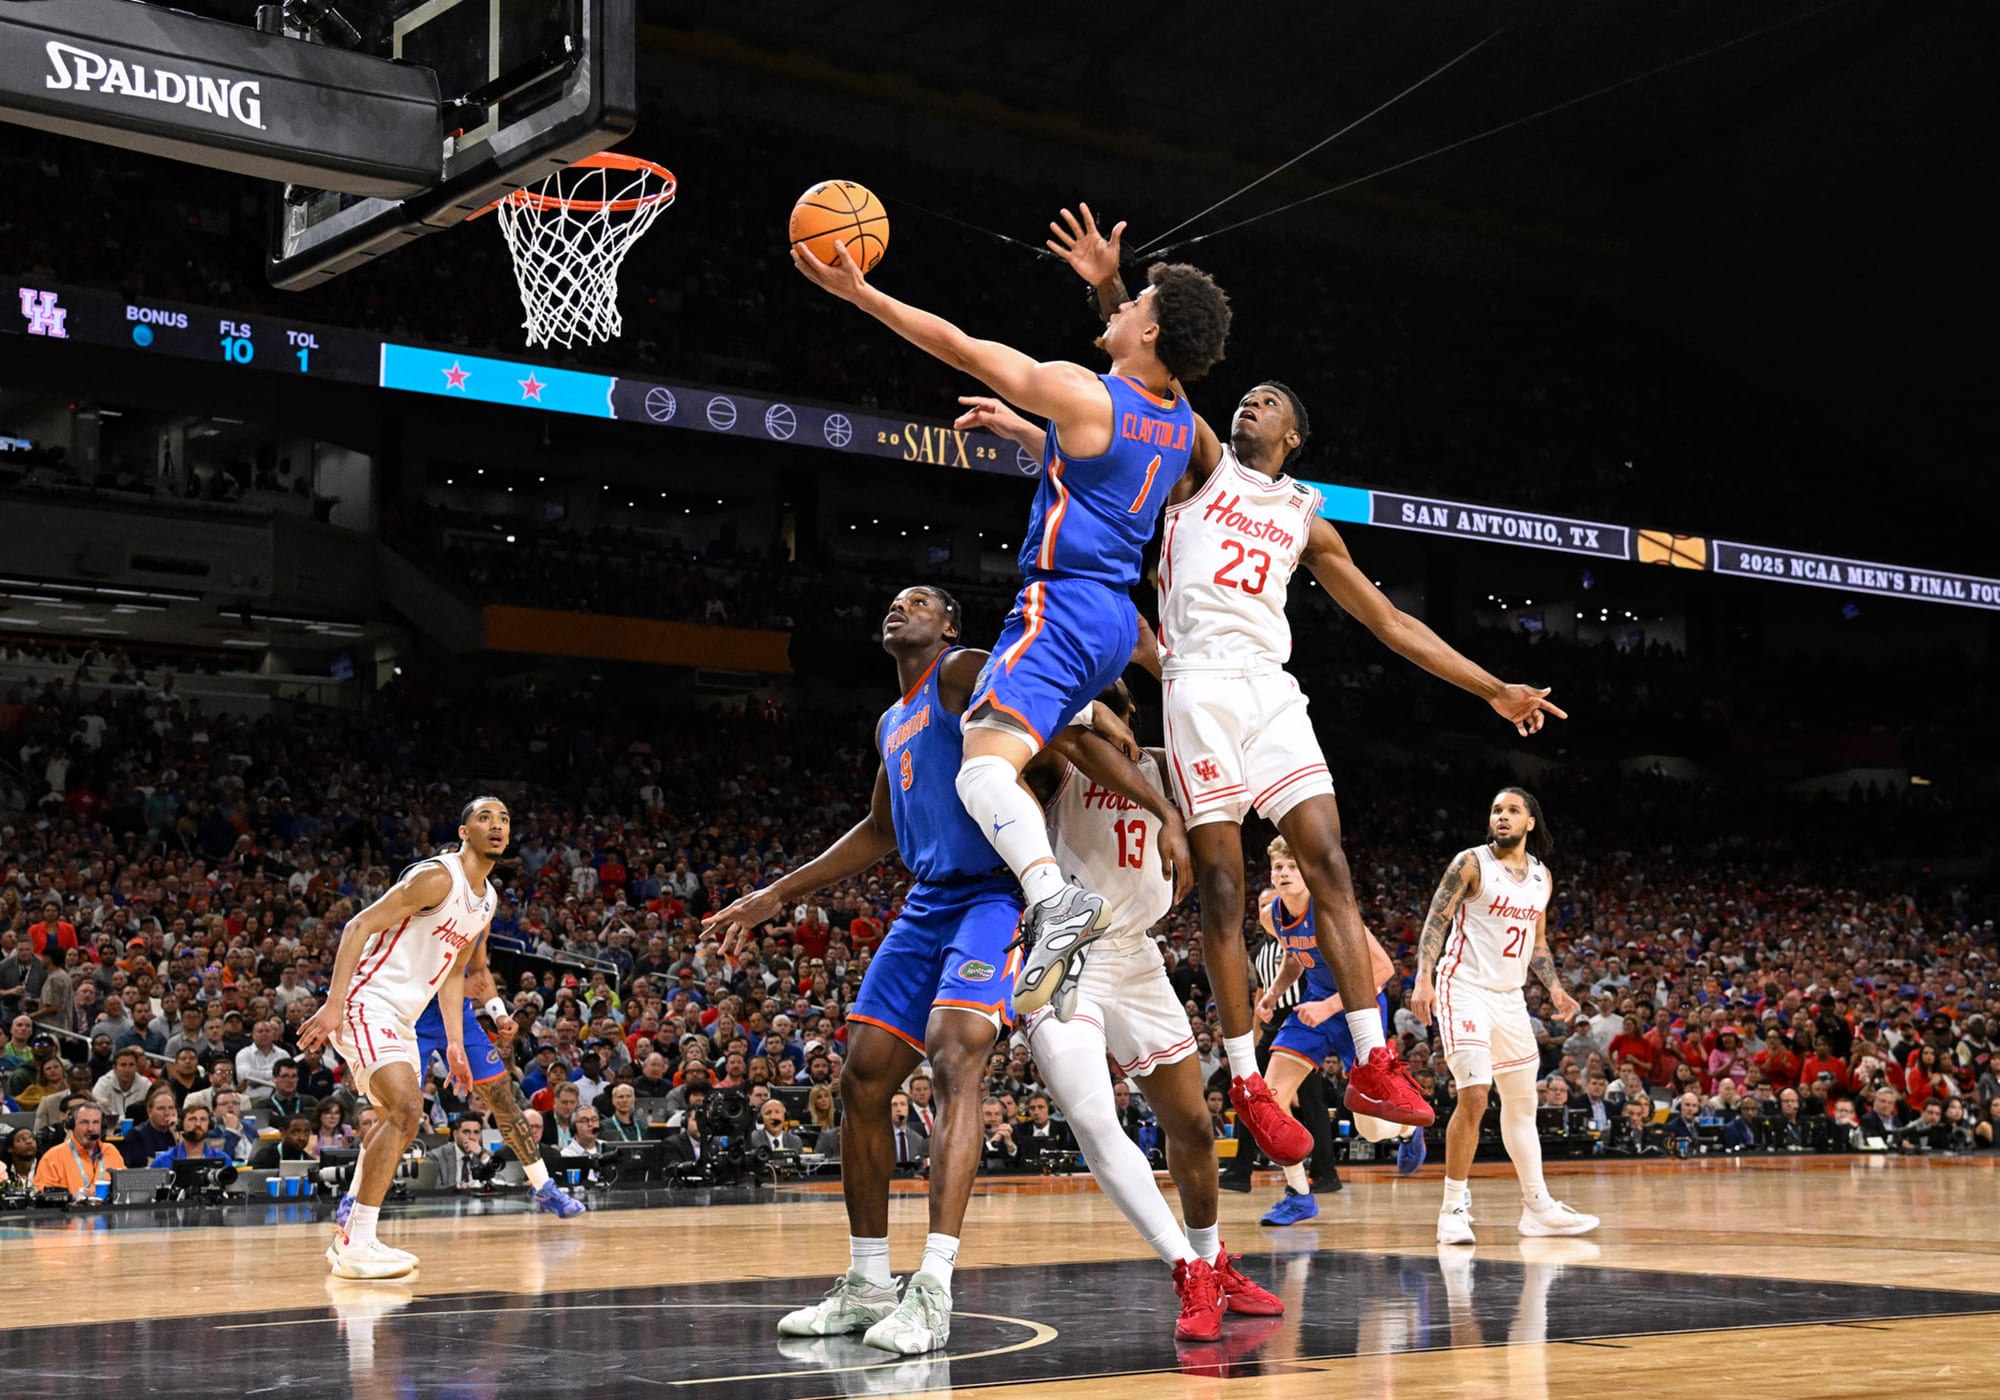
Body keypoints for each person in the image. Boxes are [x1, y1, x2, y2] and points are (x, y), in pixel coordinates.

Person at [964, 208, 1562, 1161]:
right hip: (1196, 683)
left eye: (1270, 403)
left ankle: (1371, 1056)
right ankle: (1245, 1078)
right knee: (1225, 888)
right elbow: (1140, 392)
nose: (1252, 406)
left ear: (1295, 434)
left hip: (1272, 690)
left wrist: (1492, 688)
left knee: (1327, 859)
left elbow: (1389, 621)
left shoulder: (1307, 519)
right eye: (1247, 397)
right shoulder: (1197, 464)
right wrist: (1109, 289)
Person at [708, 585, 1187, 1357]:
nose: (900, 606)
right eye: (893, 601)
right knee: (862, 1077)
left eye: (921, 600)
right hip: (926, 904)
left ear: (951, 626)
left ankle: (934, 1286)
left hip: (993, 897)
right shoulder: (892, 722)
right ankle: (869, 1284)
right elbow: (877, 830)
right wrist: (776, 893)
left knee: (954, 1050)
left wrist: (1155, 802)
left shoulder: (962, 669)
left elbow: (1063, 728)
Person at [792, 220, 1231, 1030]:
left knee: (981, 770)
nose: (1121, 301)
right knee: (1040, 752)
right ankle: (1058, 907)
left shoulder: (1087, 394)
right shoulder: (1178, 419)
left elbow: (962, 347)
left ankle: (1054, 899)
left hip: (1058, 606)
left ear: (1153, 329)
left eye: (1133, 300)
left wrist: (859, 293)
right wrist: (1097, 306)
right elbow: (1101, 462)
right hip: (1108, 624)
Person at [1020, 678, 1281, 1340]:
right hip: (1068, 948)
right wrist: (1086, 707)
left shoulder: (1169, 768)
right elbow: (1031, 707)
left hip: (1137, 956)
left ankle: (1214, 1258)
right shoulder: (1064, 755)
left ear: (1134, 713)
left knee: (1193, 1123)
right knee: (1094, 1117)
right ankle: (1187, 1271)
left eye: (1109, 695)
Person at [333, 834, 584, 1233]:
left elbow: (477, 974)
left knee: (501, 1095)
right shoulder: (420, 899)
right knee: (393, 1113)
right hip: (408, 1011)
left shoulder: (479, 913)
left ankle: (543, 1186)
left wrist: (498, 1012)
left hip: (456, 1014)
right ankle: (354, 1198)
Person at [300, 797, 497, 1280]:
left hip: (403, 1017)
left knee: (397, 1118)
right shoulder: (437, 877)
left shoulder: (487, 900)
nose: (497, 825)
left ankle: (353, 1233)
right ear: (464, 831)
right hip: (367, 999)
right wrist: (333, 1003)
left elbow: (452, 972)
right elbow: (358, 924)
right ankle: (358, 1242)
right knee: (407, 1109)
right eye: (485, 818)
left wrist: (455, 1042)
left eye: (505, 819)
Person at [1411, 788, 1598, 1244]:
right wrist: (1423, 977)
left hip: (1511, 997)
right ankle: (1452, 1207)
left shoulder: (1541, 877)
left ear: (1530, 822)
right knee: (1474, 1095)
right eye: (1496, 809)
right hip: (1464, 988)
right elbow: (1436, 919)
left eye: (1513, 810)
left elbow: (1537, 943)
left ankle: (1537, 1208)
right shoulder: (1470, 863)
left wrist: (1555, 988)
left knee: (1522, 1105)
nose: (1502, 816)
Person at [1253, 837, 1421, 1228]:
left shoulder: (1332, 910)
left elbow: (1382, 971)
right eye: (1278, 868)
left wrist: (1329, 1006)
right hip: (1312, 1006)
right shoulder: (1271, 915)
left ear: (1309, 873)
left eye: (1292, 867)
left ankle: (1407, 1127)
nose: (1283, 874)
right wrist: (1275, 993)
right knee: (1267, 1101)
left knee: (1371, 1126)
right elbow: (1297, 955)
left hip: (1357, 1009)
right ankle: (1299, 1194)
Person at [34, 1100, 122, 1198]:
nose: (91, 1128)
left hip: (110, 1211)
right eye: (84, 1122)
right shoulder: (53, 1157)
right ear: (71, 1125)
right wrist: (71, 1197)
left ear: (102, 1126)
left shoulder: (111, 1151)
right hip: (69, 1212)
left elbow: (124, 1189)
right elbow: (44, 1196)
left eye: (96, 1122)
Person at [150, 1103, 226, 1169]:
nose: (198, 1124)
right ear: (181, 1125)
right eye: (192, 1119)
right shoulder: (161, 1161)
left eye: (203, 1119)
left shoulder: (223, 1159)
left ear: (209, 1125)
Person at [431, 1116, 491, 1189]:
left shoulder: (486, 1155)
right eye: (466, 1132)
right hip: (449, 1199)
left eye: (476, 1132)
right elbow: (434, 1190)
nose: (472, 1137)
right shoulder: (437, 1156)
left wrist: (482, 1155)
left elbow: (498, 1184)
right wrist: (458, 1187)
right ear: (455, 1134)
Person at [888, 1092, 927, 1169]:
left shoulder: (918, 1139)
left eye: (902, 1104)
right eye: (894, 1105)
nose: (898, 1109)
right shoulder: (879, 1140)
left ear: (908, 1108)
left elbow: (921, 1168)